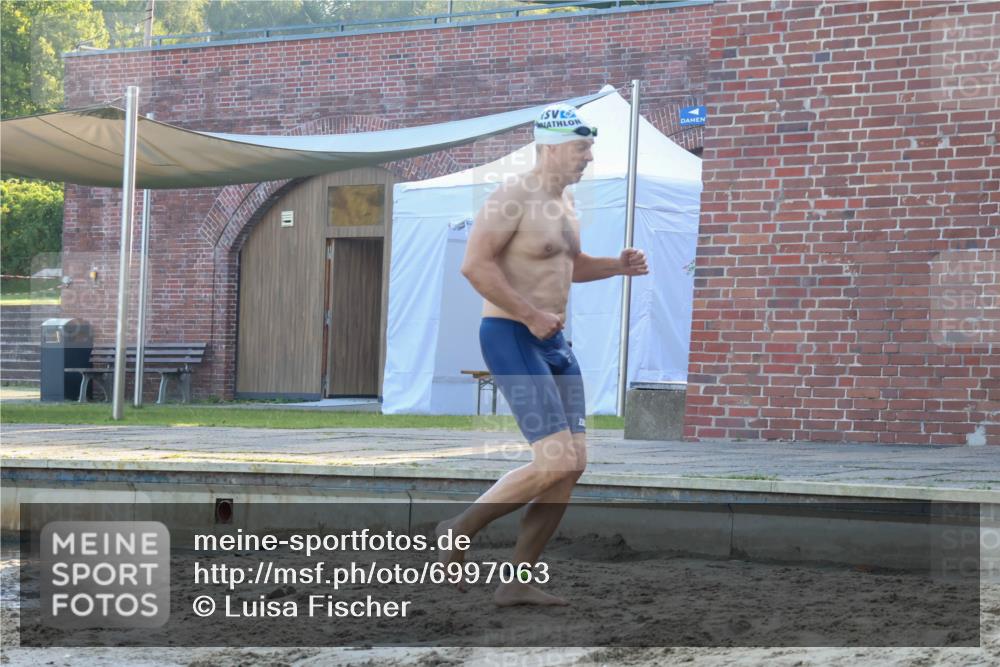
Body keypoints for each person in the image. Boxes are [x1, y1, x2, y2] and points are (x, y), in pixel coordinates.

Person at [437, 102, 649, 607]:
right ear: (550, 148)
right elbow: (474, 265)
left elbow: (569, 265)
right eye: (581, 148)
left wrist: (616, 266)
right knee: (553, 462)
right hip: (512, 335)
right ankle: (456, 530)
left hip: (554, 344)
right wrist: (530, 314)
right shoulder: (511, 197)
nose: (588, 158)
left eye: (589, 148)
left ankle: (516, 580)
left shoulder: (566, 203)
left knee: (572, 466)